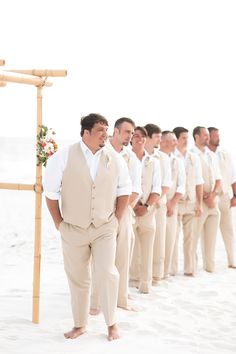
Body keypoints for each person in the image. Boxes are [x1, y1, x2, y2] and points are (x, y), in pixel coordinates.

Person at [43, 113, 132, 341]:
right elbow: (51, 193)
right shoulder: (62, 156)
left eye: (107, 129)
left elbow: (124, 189)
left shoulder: (115, 158)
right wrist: (59, 224)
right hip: (73, 228)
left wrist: (117, 218)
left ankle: (112, 324)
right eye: (101, 130)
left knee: (107, 273)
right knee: (78, 278)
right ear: (86, 132)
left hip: (104, 227)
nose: (106, 134)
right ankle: (80, 324)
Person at [90, 117, 141, 312]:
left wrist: (120, 211)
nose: (131, 136)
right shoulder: (102, 152)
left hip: (124, 212)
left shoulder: (132, 159)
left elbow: (135, 189)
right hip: (101, 212)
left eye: (132, 132)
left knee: (122, 255)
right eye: (127, 132)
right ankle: (95, 302)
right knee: (99, 258)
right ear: (116, 132)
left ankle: (121, 299)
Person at [130, 126, 161, 293]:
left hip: (148, 211)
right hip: (129, 209)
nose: (139, 139)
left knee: (148, 250)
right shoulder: (123, 158)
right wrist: (133, 206)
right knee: (128, 249)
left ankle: (145, 284)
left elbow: (157, 188)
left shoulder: (154, 161)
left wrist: (147, 206)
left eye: (142, 136)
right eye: (135, 136)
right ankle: (128, 282)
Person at [172, 127, 204, 276]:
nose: (186, 140)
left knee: (190, 238)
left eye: (187, 138)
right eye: (183, 138)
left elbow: (199, 181)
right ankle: (171, 269)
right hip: (176, 203)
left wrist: (199, 203)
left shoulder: (194, 158)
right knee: (173, 237)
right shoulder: (171, 156)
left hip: (191, 202)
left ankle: (189, 269)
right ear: (176, 139)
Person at [191, 126, 221, 273]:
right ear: (196, 136)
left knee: (211, 239)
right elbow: (192, 180)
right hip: (199, 202)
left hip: (212, 203)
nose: (207, 137)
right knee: (194, 237)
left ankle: (209, 268)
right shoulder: (190, 155)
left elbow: (218, 179)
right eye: (204, 135)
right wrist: (203, 197)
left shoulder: (212, 156)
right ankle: (192, 268)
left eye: (208, 135)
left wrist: (213, 195)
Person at [144, 123, 172, 284]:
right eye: (157, 137)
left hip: (158, 205)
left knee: (158, 241)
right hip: (138, 205)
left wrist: (152, 202)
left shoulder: (163, 158)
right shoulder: (135, 154)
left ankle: (156, 275)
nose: (160, 141)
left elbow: (166, 184)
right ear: (148, 137)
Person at [207, 127, 236, 268]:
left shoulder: (225, 154)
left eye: (218, 135)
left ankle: (232, 260)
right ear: (208, 137)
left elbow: (233, 176)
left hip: (224, 196)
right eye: (215, 136)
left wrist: (235, 195)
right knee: (208, 233)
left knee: (228, 230)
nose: (218, 138)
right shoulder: (202, 154)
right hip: (208, 198)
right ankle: (209, 264)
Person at [159, 131, 186, 278]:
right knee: (157, 241)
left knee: (170, 239)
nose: (176, 143)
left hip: (171, 205)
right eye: (173, 140)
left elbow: (182, 185)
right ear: (163, 142)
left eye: (176, 140)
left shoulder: (178, 161)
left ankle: (165, 272)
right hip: (156, 203)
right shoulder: (156, 157)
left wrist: (172, 203)